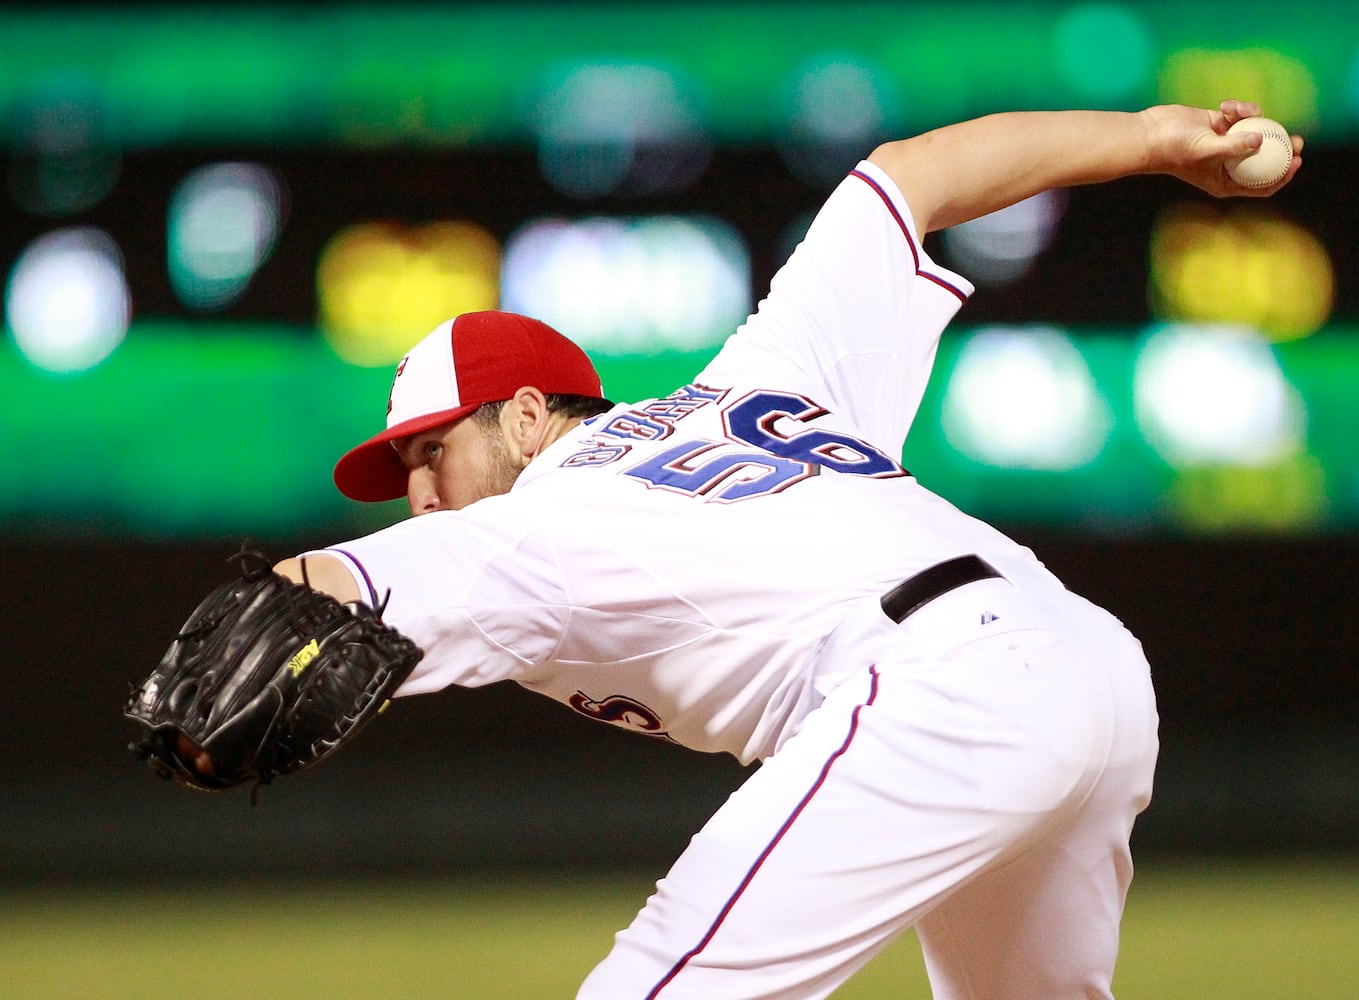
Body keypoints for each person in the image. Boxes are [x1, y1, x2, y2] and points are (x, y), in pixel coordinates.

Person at [276, 100, 1302, 999]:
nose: (417, 494)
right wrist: (1153, 137)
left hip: (939, 694)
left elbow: (320, 587)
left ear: (531, 417)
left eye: (431, 451)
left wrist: (214, 679)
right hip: (1088, 665)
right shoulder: (760, 378)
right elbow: (908, 177)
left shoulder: (530, 522)